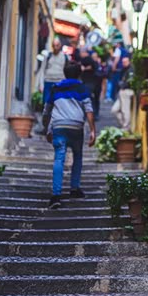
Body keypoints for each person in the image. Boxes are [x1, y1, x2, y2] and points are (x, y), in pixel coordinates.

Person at [42, 62, 96, 209]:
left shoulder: (55, 88)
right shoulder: (82, 88)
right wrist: (92, 130)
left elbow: (47, 110)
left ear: (64, 73)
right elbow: (89, 110)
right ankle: (74, 188)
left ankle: (56, 196)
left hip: (59, 126)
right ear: (79, 74)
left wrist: (46, 128)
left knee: (59, 158)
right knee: (77, 156)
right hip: (76, 126)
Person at [40, 36, 68, 105]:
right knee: (46, 103)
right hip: (48, 82)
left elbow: (67, 71)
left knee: (59, 103)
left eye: (57, 45)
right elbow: (42, 70)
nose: (55, 47)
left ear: (60, 45)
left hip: (60, 82)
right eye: (54, 45)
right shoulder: (48, 56)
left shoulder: (65, 57)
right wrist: (41, 84)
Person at [111, 56, 134, 130]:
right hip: (122, 91)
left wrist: (123, 85)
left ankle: (126, 126)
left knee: (125, 109)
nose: (124, 63)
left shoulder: (131, 70)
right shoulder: (123, 70)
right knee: (114, 110)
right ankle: (124, 124)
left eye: (125, 62)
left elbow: (130, 80)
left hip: (126, 90)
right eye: (123, 62)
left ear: (129, 61)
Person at [79, 48, 101, 121]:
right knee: (94, 99)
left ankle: (91, 114)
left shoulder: (87, 60)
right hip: (94, 82)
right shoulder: (93, 61)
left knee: (90, 99)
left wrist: (84, 68)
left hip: (90, 82)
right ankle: (95, 114)